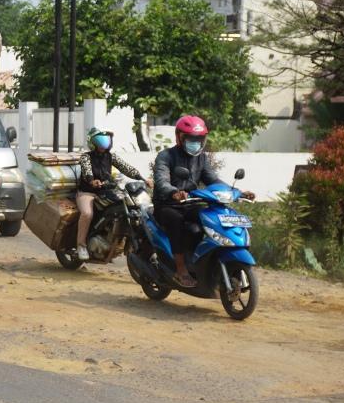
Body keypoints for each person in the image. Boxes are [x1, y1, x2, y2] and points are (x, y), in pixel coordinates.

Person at [153, 115, 253, 287]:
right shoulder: (166, 156)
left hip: (191, 203)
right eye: (191, 138)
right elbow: (162, 182)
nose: (196, 142)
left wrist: (237, 192)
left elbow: (213, 180)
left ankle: (206, 261)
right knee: (176, 221)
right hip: (168, 205)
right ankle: (181, 269)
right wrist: (174, 192)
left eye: (199, 139)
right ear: (179, 137)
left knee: (210, 219)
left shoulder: (202, 158)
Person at [76, 128, 144, 261]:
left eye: (105, 141)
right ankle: (81, 245)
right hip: (88, 192)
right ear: (92, 143)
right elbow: (86, 170)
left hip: (107, 191)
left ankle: (111, 239)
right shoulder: (86, 157)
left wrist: (142, 178)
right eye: (100, 141)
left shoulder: (111, 156)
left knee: (126, 208)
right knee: (87, 214)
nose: (103, 144)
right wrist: (92, 180)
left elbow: (126, 168)